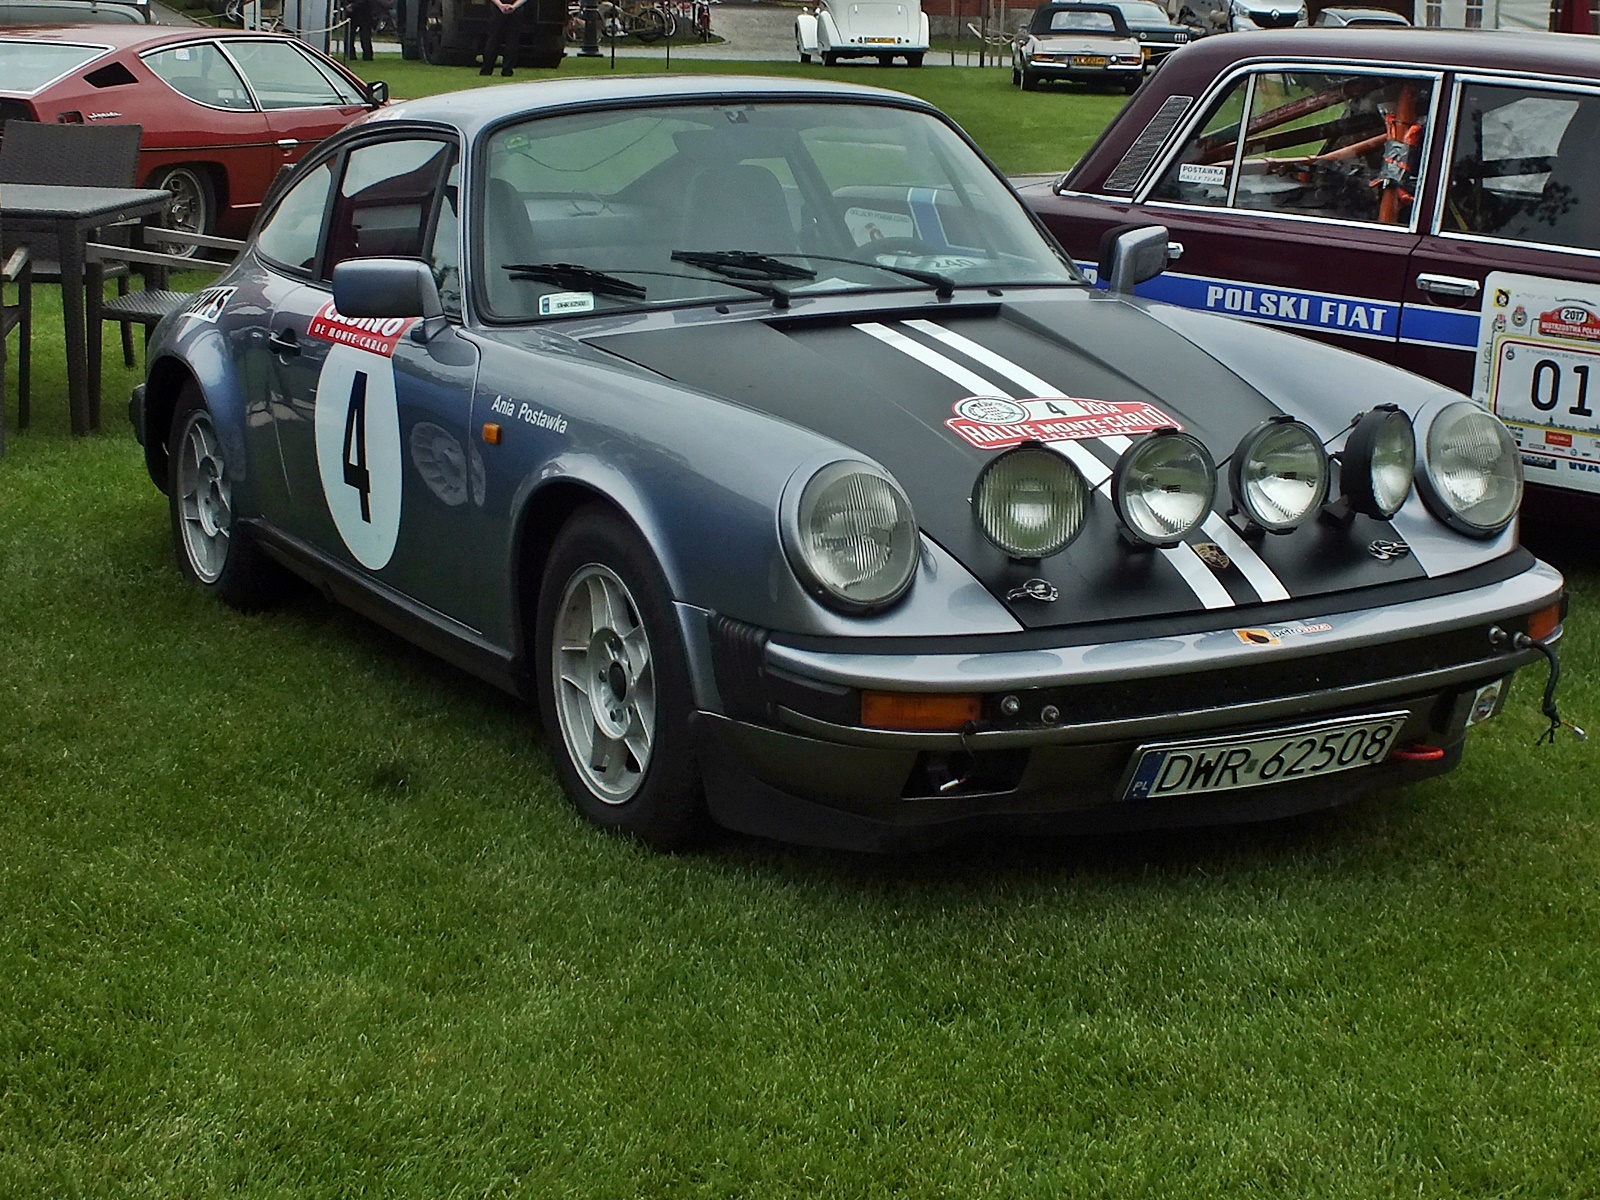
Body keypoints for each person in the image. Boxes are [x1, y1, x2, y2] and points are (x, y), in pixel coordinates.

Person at [480, 0, 529, 77]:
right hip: (515, 10)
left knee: (493, 39)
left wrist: (500, 5)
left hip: (498, 9)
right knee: (512, 41)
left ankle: (486, 69)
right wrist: (514, 6)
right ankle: (507, 70)